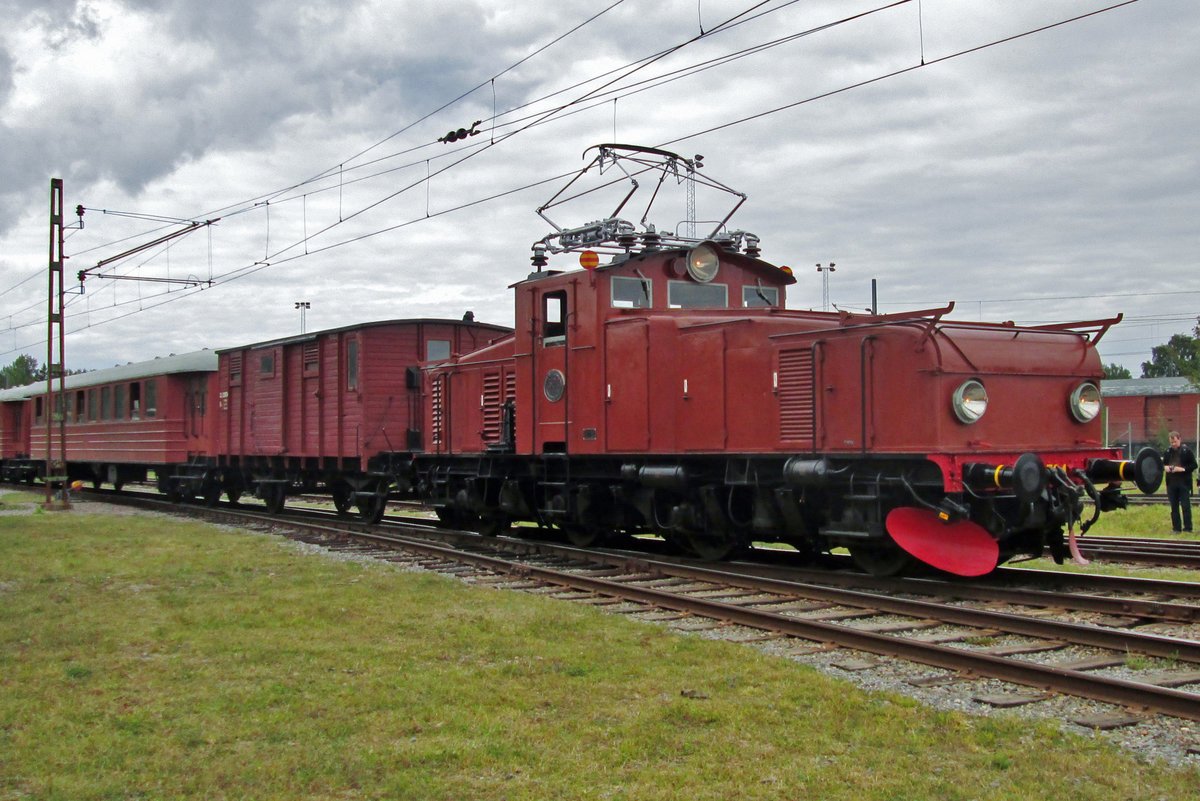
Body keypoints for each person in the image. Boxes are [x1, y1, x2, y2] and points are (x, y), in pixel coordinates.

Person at [1162, 431, 1197, 533]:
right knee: (1174, 507)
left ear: (1179, 440)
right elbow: (1163, 464)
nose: (1173, 444)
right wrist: (1166, 468)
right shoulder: (1168, 452)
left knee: (1185, 506)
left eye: (1175, 442)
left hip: (1183, 482)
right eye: (1171, 442)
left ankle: (1188, 528)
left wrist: (1183, 469)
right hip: (1171, 483)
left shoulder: (1186, 451)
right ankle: (1176, 528)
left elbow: (1194, 465)